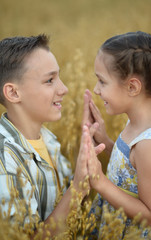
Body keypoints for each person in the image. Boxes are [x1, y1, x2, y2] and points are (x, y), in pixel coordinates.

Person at [0, 34, 105, 239]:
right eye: (50, 80)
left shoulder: (48, 141)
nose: (64, 89)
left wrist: (88, 152)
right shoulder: (5, 162)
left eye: (59, 77)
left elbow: (74, 213)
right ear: (13, 93)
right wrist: (77, 187)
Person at [83, 31, 151, 239]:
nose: (96, 90)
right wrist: (106, 142)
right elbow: (130, 171)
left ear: (132, 87)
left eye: (102, 81)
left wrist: (99, 181)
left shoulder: (148, 145)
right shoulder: (136, 123)